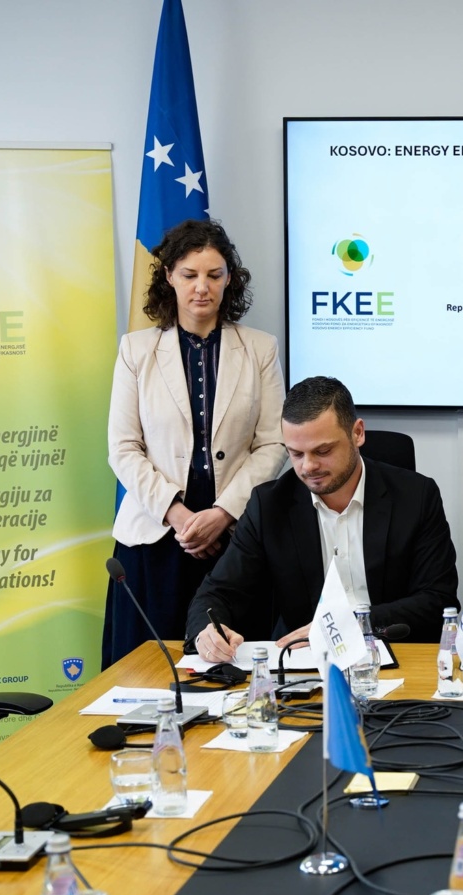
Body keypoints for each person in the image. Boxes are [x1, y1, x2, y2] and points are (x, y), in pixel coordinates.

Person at [103, 219, 285, 668]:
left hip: (235, 534)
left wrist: (222, 514)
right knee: (148, 673)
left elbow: (274, 444)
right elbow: (123, 448)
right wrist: (180, 517)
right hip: (157, 534)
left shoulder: (260, 348)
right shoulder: (136, 350)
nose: (202, 287)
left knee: (233, 667)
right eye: (189, 274)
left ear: (229, 279)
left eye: (214, 275)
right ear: (169, 276)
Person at [187, 376, 458, 658]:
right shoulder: (268, 506)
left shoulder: (416, 496)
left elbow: (438, 599)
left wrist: (354, 624)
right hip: (305, 663)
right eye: (296, 454)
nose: (308, 466)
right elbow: (218, 592)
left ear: (357, 433)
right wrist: (207, 632)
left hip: (394, 656)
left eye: (323, 451)